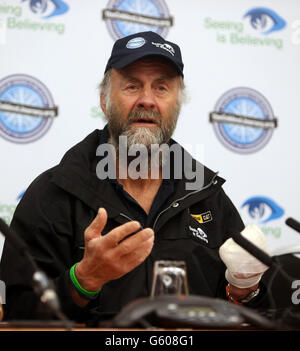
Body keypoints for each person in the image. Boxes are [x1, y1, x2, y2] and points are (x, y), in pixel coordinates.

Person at [0, 31, 270, 323]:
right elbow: (17, 314)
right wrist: (84, 280)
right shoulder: (52, 195)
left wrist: (244, 288)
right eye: (131, 86)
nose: (147, 100)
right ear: (104, 101)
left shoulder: (208, 197)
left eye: (162, 88)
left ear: (176, 106)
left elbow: (251, 318)